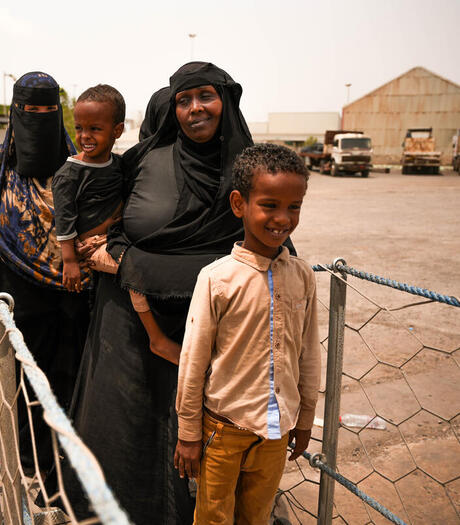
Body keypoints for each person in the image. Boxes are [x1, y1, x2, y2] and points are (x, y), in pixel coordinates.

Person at [65, 62, 256, 524]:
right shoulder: (144, 158)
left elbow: (266, 248)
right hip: (132, 321)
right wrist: (96, 247)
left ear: (226, 100)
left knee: (210, 438)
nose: (195, 109)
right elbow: (99, 213)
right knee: (128, 430)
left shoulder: (249, 167)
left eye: (205, 96)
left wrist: (131, 263)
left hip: (214, 323)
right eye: (184, 100)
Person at [174, 143, 320, 524]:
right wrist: (189, 432)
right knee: (212, 517)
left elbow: (309, 354)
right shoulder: (218, 278)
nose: (282, 219)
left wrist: (304, 420)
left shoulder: (303, 276)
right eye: (269, 205)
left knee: (257, 516)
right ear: (239, 204)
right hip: (222, 429)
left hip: (277, 433)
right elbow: (193, 360)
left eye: (294, 207)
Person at [0, 72, 89, 474]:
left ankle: (69, 470)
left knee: (69, 378)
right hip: (16, 294)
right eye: (31, 111)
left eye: (49, 111)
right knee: (23, 380)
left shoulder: (76, 162)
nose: (40, 118)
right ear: (16, 112)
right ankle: (30, 469)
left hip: (71, 289)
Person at [52, 84, 125, 292]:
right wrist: (69, 261)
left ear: (117, 130)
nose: (84, 136)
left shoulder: (120, 165)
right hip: (84, 255)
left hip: (110, 244)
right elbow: (65, 220)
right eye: (79, 128)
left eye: (95, 129)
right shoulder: (69, 174)